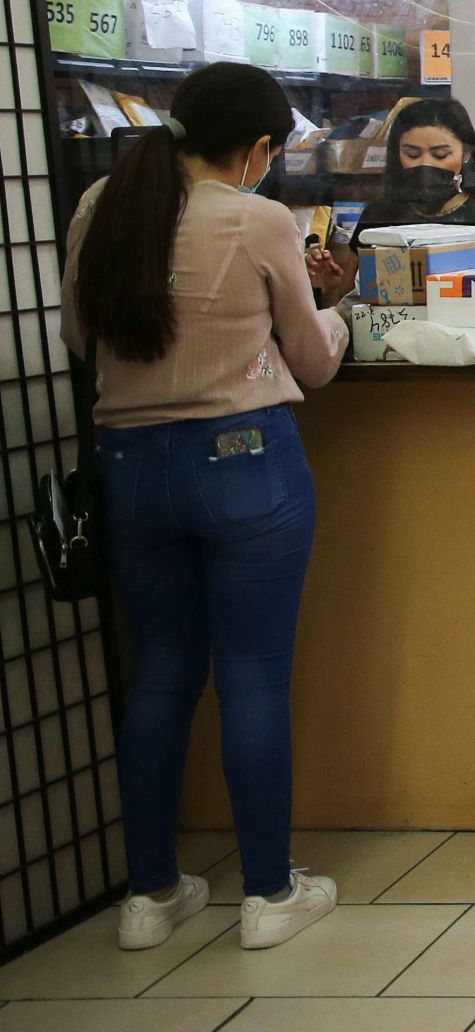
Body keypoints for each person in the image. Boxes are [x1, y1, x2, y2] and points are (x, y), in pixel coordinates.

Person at [59, 62, 355, 954]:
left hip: (130, 469)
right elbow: (313, 361)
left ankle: (149, 896)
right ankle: (267, 894)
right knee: (253, 677)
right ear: (258, 148)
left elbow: (80, 339)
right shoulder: (258, 218)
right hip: (245, 465)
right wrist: (332, 311)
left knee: (158, 673)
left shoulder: (101, 205)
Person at [353, 98, 475, 253]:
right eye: (412, 154)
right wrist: (330, 281)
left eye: (440, 155)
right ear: (397, 154)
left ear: (466, 154)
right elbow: (346, 291)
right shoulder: (379, 215)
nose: (425, 164)